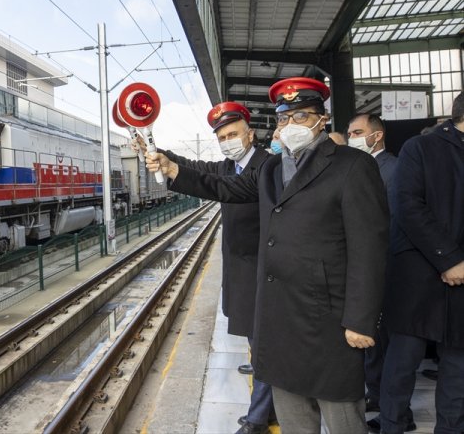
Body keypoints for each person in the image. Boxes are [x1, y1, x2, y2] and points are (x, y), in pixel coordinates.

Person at [147, 77, 388, 434]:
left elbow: (370, 246)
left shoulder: (351, 166)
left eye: (301, 116)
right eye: (283, 118)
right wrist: (173, 170)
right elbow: (223, 186)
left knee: (342, 421)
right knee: (294, 419)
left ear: (322, 119)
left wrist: (361, 319)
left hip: (329, 321)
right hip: (279, 317)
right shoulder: (271, 169)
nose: (290, 126)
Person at [160, 102, 275, 434]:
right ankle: (267, 406)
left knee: (265, 343)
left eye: (233, 134)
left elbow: (210, 185)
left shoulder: (266, 166)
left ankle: (258, 419)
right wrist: (159, 152)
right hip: (240, 266)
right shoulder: (230, 166)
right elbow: (196, 167)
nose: (228, 141)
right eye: (222, 136)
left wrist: (172, 171)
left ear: (250, 134)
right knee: (257, 342)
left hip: (263, 268)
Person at [379, 92, 464, 434]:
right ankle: (393, 426)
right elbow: (408, 206)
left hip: (461, 279)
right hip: (419, 276)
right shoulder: (421, 148)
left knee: (458, 367)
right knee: (403, 362)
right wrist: (451, 259)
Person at [346, 114, 412, 431]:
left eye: (358, 132)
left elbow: (393, 223)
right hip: (372, 269)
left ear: (377, 135)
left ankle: (396, 413)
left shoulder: (392, 168)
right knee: (373, 343)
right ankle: (378, 397)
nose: (352, 137)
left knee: (386, 346)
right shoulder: (365, 167)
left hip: (388, 269)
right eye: (349, 133)